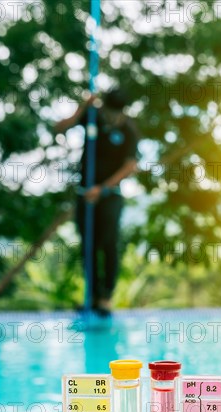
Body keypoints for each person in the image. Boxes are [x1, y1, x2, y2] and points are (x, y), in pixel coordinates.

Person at [55, 89, 139, 315]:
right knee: (88, 246)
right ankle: (91, 296)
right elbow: (60, 128)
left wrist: (101, 189)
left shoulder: (128, 130)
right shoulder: (92, 117)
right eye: (108, 110)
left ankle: (106, 298)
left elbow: (130, 166)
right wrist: (83, 106)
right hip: (84, 193)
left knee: (108, 243)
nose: (111, 116)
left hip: (110, 196)